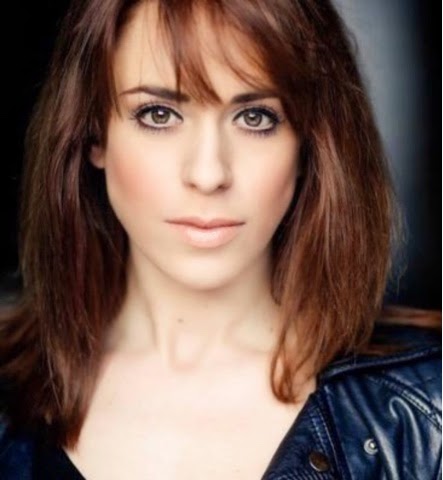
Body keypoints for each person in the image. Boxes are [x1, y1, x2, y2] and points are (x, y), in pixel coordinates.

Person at [0, 0, 440, 478]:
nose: (208, 174)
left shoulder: (427, 411)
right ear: (93, 135)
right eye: (159, 114)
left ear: (310, 144)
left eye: (255, 118)